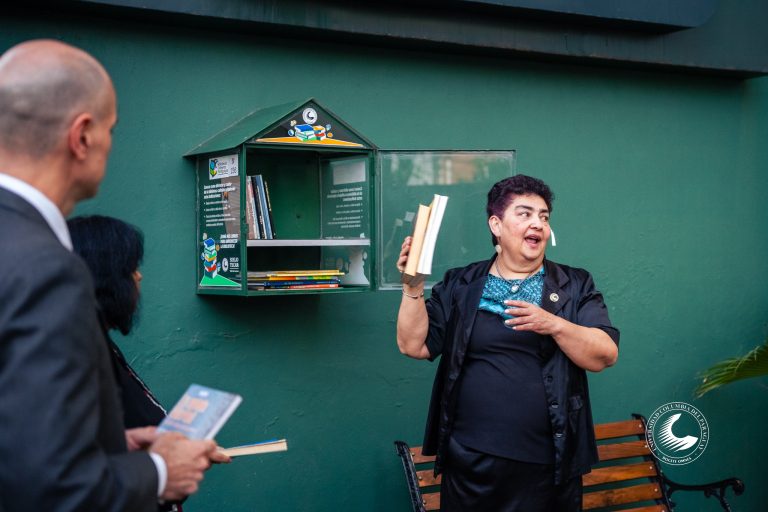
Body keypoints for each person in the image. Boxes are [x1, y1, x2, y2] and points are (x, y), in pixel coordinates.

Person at [0, 40, 226, 511]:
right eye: (111, 129)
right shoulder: (46, 268)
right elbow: (52, 488)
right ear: (82, 136)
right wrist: (162, 471)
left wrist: (108, 446)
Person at [396, 174, 619, 511]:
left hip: (548, 465)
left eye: (543, 216)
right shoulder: (462, 283)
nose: (538, 224)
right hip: (470, 464)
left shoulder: (574, 284)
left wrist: (553, 324)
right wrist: (412, 287)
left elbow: (605, 354)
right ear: (496, 225)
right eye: (525, 214)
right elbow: (414, 346)